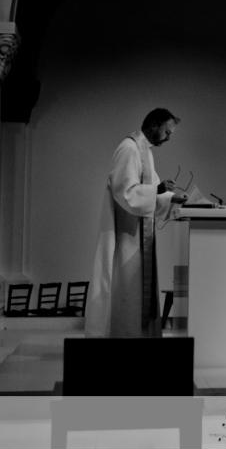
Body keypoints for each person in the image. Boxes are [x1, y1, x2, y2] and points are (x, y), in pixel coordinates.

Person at [85, 108, 189, 338]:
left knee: (136, 293)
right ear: (154, 125)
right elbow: (126, 192)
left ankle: (137, 337)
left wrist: (171, 198)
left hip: (138, 235)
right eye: (167, 131)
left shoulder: (145, 152)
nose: (168, 137)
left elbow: (151, 192)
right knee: (126, 291)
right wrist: (158, 190)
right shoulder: (129, 149)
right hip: (126, 235)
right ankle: (124, 336)